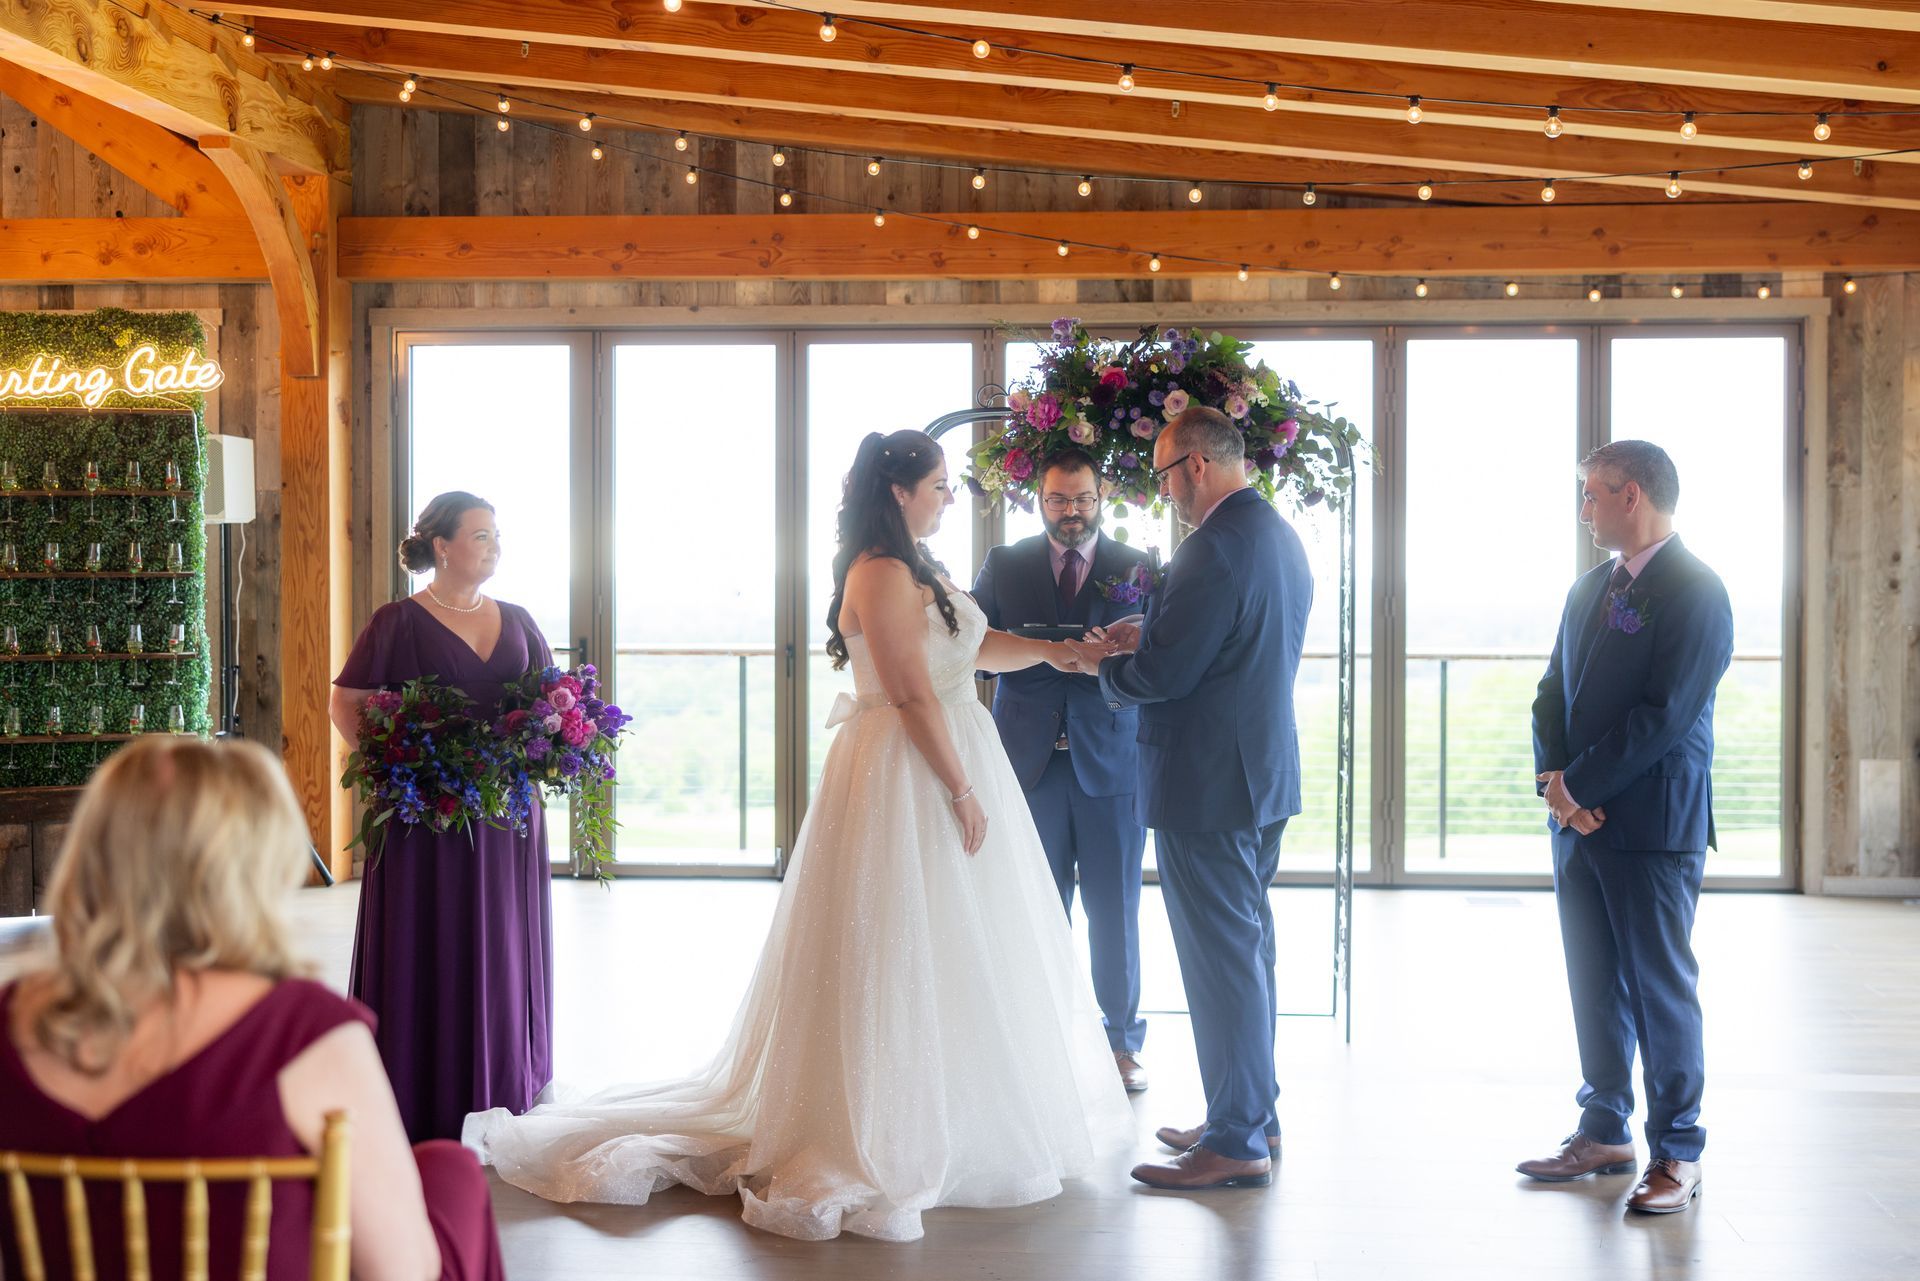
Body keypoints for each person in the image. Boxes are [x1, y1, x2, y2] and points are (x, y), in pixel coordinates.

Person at [465, 430, 1132, 1242]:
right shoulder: (880, 572)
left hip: (958, 746)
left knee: (961, 941)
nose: (950, 496)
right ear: (900, 492)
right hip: (908, 766)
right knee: (895, 939)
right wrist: (959, 787)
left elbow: (975, 645)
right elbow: (912, 691)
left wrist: (1065, 655)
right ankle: (873, 1124)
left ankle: (956, 1108)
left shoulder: (922, 565)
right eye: (941, 485)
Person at [0, 736, 505, 1281]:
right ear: (254, 864)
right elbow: (402, 1273)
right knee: (451, 1167)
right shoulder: (301, 1030)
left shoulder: (11, 1018)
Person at [1072, 405, 1312, 1191]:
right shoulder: (1277, 537)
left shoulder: (1211, 548)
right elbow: (1236, 646)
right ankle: (1249, 1111)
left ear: (1198, 465)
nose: (1164, 489)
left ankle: (1238, 1137)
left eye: (1166, 473)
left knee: (1222, 962)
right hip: (1259, 776)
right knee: (1248, 951)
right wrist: (1158, 625)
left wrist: (1097, 669)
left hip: (1207, 784)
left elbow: (1169, 677)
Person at [1523, 440, 1732, 1215]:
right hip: (1576, 823)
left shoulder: (1698, 590)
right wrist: (1556, 786)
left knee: (1658, 989)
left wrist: (1581, 784)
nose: (1584, 510)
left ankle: (1678, 1149)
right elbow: (1550, 692)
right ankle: (1604, 1126)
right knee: (1592, 981)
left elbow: (1667, 717)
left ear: (1632, 495)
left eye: (1592, 495)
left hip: (1652, 826)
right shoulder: (1586, 589)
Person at [330, 491, 555, 1143]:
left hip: (504, 816)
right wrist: (396, 761)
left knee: (502, 943)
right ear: (443, 546)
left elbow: (550, 701)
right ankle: (418, 1084)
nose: (492, 544)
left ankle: (505, 1081)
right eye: (480, 534)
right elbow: (347, 704)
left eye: (495, 534)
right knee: (426, 938)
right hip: (426, 817)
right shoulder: (396, 622)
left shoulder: (518, 620)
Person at [971, 447, 1153, 1092]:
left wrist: (1107, 658)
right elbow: (975, 654)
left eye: (1081, 499)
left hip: (1111, 762)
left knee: (1115, 910)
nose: (1071, 512)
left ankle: (1122, 1045)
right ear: (1038, 499)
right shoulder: (1006, 563)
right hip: (1027, 764)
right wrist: (1036, 651)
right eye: (1057, 500)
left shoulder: (1138, 565)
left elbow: (1153, 663)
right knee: (1034, 907)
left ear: (1101, 497)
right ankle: (1034, 1039)